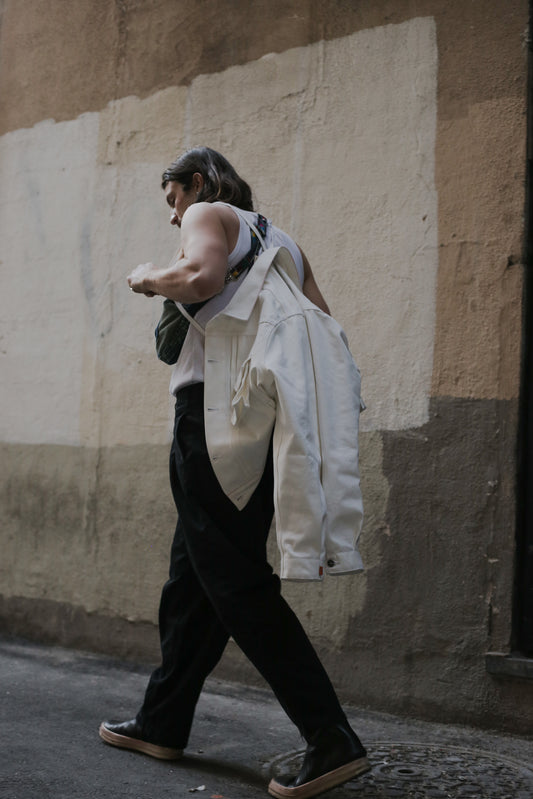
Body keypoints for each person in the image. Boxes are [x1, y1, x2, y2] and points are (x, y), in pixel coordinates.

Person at [99, 146, 370, 798]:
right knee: (193, 579)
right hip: (262, 424)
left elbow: (198, 281)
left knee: (237, 585)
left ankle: (330, 737)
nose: (174, 217)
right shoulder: (284, 244)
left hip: (212, 421)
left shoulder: (210, 211)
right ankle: (162, 720)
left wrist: (145, 277)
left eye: (172, 199)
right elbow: (324, 329)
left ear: (196, 181)